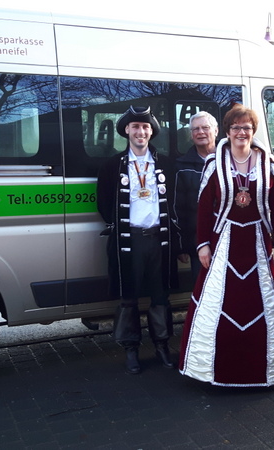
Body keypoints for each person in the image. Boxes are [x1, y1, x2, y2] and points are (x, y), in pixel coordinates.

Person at [178, 105, 274, 386]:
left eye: (246, 127)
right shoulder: (214, 162)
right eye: (236, 127)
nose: (241, 132)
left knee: (261, 303)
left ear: (253, 131)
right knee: (220, 302)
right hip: (224, 243)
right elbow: (204, 208)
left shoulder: (266, 161)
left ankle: (266, 371)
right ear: (227, 131)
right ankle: (212, 371)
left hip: (258, 242)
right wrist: (202, 245)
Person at [96, 105, 178, 375]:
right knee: (128, 296)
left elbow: (174, 202)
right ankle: (130, 349)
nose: (140, 131)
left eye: (145, 127)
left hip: (158, 240)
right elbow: (103, 203)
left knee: (160, 296)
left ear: (151, 131)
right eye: (135, 127)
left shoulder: (165, 163)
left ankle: (162, 346)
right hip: (128, 240)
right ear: (127, 131)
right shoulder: (112, 166)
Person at [173, 111, 219, 281]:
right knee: (202, 289)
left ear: (216, 131)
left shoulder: (231, 160)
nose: (201, 132)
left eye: (205, 127)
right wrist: (182, 246)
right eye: (195, 129)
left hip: (229, 239)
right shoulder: (182, 167)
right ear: (191, 135)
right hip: (198, 244)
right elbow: (179, 210)